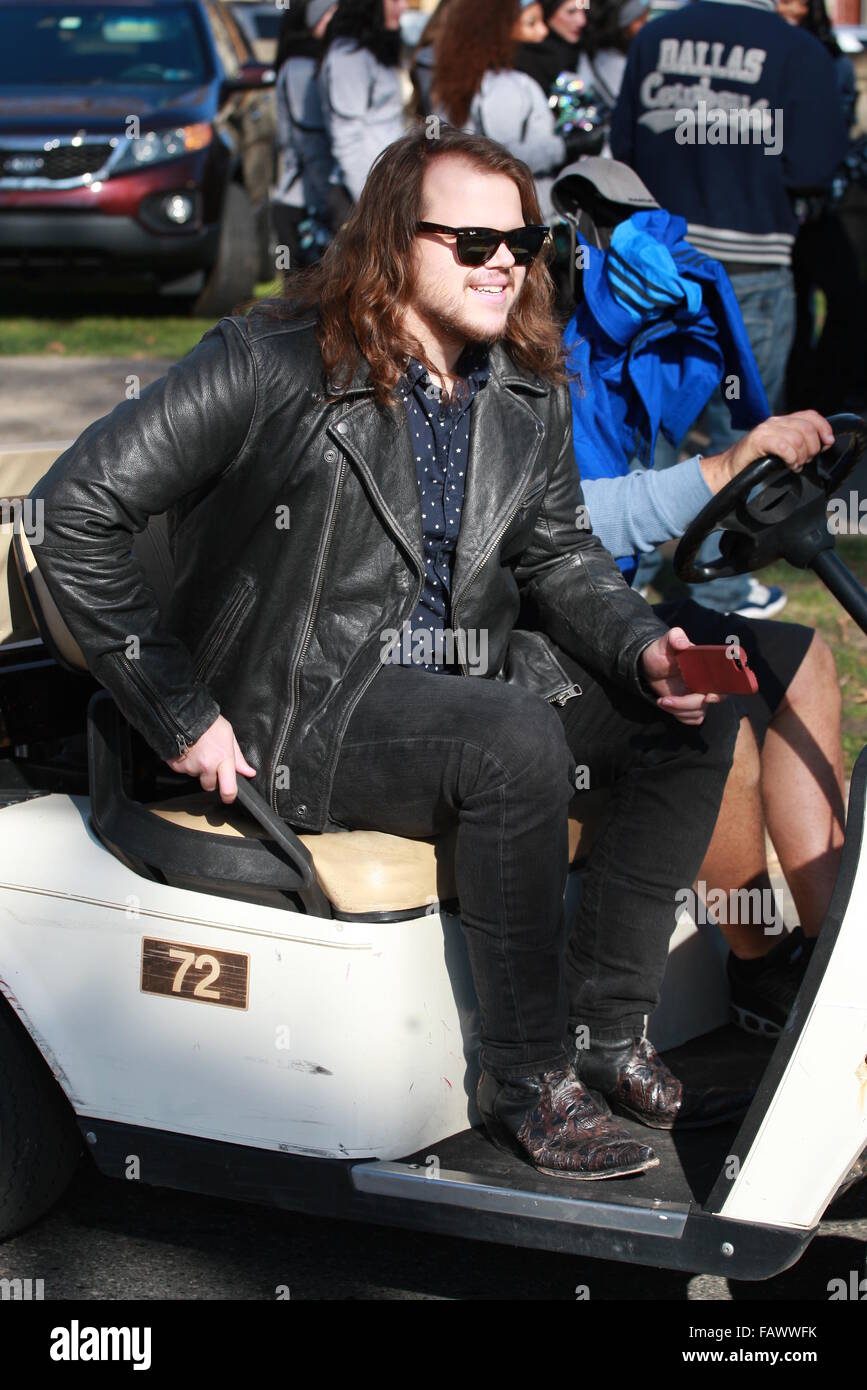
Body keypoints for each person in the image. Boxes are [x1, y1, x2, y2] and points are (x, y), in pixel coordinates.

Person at [28, 126, 766, 1181]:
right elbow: (72, 512)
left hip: (454, 684)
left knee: (702, 701)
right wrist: (179, 709)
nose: (505, 261)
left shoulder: (524, 388)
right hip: (298, 706)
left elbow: (559, 553)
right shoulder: (269, 363)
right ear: (392, 244)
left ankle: (610, 1030)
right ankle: (530, 1081)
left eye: (524, 241)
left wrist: (646, 646)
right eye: (471, 241)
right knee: (511, 742)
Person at [611, 0, 847, 617]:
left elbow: (622, 148)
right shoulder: (796, 48)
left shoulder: (655, 36)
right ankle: (718, 586)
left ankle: (614, 574)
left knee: (642, 421)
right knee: (745, 431)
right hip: (750, 268)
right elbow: (816, 167)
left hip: (656, 264)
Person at [431, 0, 600, 220]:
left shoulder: (459, 79)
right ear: (498, 29)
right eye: (531, 23)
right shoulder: (505, 84)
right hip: (520, 214)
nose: (543, 31)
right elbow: (502, 155)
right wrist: (566, 147)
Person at [780, 0, 865, 419]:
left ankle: (824, 394)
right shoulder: (772, 52)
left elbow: (837, 131)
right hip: (781, 209)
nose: (791, 9)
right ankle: (798, 396)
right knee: (792, 308)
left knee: (845, 299)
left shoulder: (831, 59)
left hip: (824, 204)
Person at [319, 0, 410, 225]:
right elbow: (347, 140)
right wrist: (373, 206)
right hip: (361, 201)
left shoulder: (371, 51)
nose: (404, 7)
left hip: (384, 194)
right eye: (395, 0)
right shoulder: (349, 56)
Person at [270, 1, 337, 271]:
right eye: (333, 13)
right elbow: (311, 142)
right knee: (303, 302)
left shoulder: (310, 60)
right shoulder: (302, 66)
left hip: (308, 202)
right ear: (316, 20)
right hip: (303, 205)